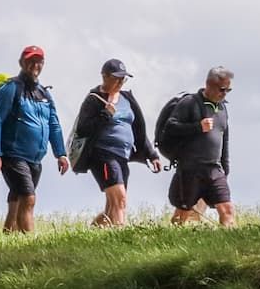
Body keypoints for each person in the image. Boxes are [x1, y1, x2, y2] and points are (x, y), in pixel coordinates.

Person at [0, 46, 69, 235]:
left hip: (35, 158)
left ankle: (7, 239)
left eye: (39, 61)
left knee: (17, 200)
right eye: (31, 61)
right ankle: (31, 244)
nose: (35, 65)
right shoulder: (11, 88)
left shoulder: (45, 94)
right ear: (22, 63)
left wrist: (61, 154)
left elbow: (54, 124)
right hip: (13, 155)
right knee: (29, 198)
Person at [72, 58, 161, 228]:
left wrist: (151, 154)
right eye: (117, 78)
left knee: (112, 208)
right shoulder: (94, 98)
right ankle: (122, 238)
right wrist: (105, 114)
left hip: (123, 156)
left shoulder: (127, 98)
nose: (120, 82)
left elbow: (138, 130)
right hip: (102, 154)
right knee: (120, 199)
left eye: (123, 79)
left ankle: (92, 232)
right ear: (105, 77)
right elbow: (83, 129)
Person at [164, 66, 235, 227]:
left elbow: (225, 141)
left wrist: (225, 168)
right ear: (209, 84)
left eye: (228, 90)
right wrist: (197, 127)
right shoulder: (188, 103)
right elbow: (170, 127)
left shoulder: (223, 108)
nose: (224, 94)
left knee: (227, 209)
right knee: (182, 214)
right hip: (190, 169)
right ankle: (170, 239)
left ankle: (231, 248)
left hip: (214, 170)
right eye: (222, 89)